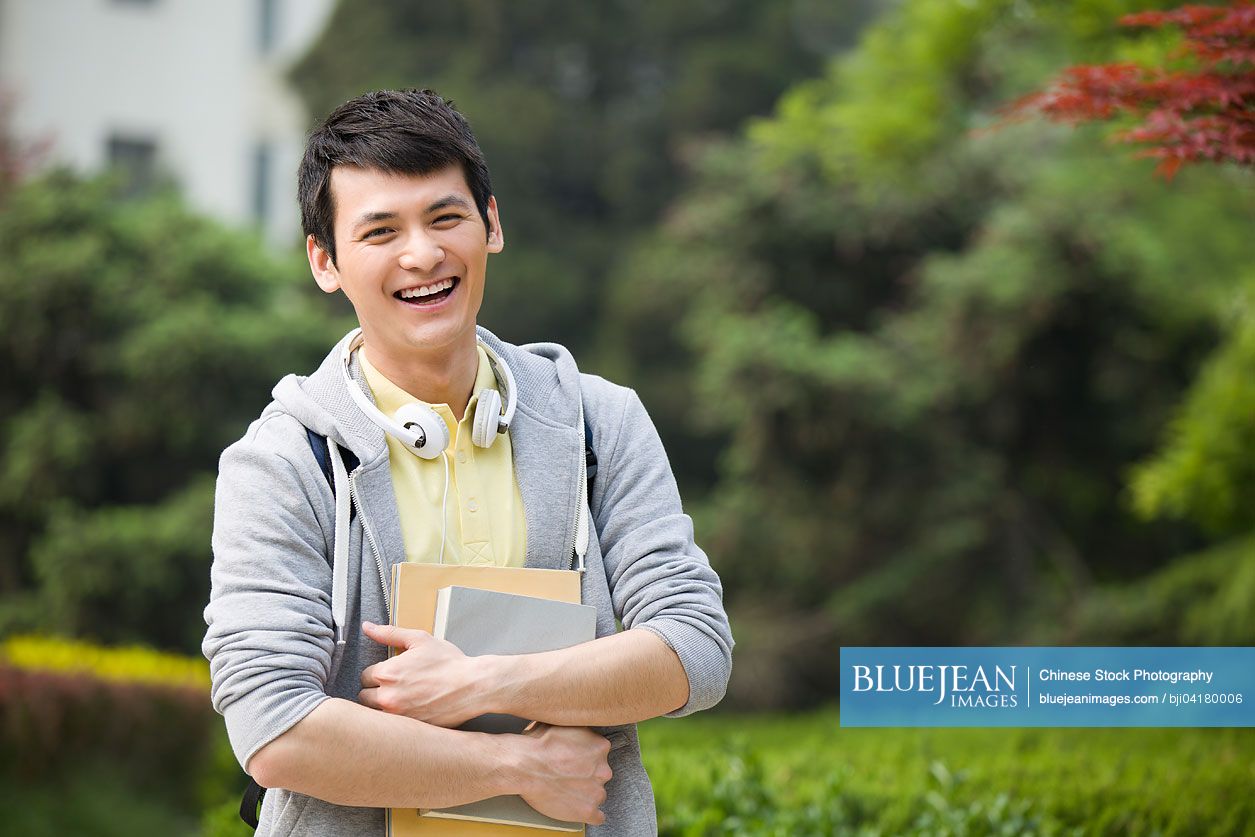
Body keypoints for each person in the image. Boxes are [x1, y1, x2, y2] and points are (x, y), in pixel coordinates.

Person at [201, 88, 733, 836]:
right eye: (380, 230)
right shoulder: (284, 460)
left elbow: (696, 648)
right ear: (325, 262)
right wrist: (515, 769)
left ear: (491, 224)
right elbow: (273, 726)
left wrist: (480, 681)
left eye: (445, 217)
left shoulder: (598, 422)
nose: (422, 254)